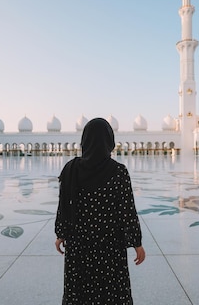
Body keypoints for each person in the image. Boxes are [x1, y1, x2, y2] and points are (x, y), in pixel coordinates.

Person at [55, 118, 145, 304]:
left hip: (79, 245)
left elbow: (63, 204)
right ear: (109, 142)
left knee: (80, 292)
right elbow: (127, 211)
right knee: (110, 292)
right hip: (110, 246)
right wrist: (136, 242)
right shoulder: (119, 172)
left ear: (84, 141)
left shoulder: (71, 169)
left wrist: (61, 233)